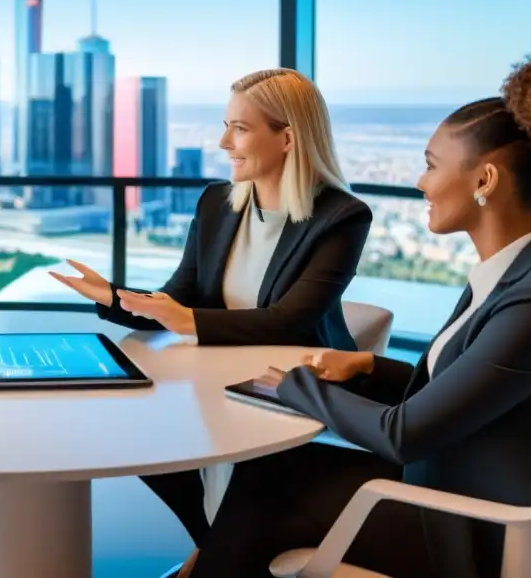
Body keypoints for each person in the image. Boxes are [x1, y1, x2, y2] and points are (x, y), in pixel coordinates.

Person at [190, 50, 531, 578]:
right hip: (442, 486)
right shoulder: (512, 276)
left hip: (477, 526)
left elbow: (403, 434)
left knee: (264, 502)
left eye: (432, 166)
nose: (419, 181)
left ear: (484, 181)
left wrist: (295, 387)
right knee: (265, 479)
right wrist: (365, 367)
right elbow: (459, 388)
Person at [51, 68, 372, 570]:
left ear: (287, 138)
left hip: (294, 391)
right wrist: (117, 298)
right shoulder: (217, 203)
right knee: (133, 433)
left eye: (239, 128)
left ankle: (214, 555)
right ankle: (212, 544)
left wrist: (185, 321)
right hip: (216, 382)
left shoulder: (341, 217)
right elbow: (181, 297)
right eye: (226, 125)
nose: (224, 142)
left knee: (250, 479)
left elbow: (288, 321)